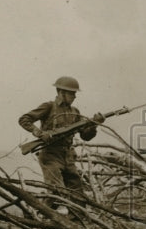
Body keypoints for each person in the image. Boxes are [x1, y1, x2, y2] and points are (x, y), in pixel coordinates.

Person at [18, 76, 103, 209]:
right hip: (50, 154)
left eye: (74, 93)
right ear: (61, 92)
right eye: (71, 93)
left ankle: (77, 219)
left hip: (68, 155)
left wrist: (94, 124)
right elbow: (24, 119)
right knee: (56, 191)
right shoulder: (49, 107)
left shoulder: (75, 112)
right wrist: (39, 133)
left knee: (77, 193)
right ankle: (42, 215)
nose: (74, 96)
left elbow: (85, 136)